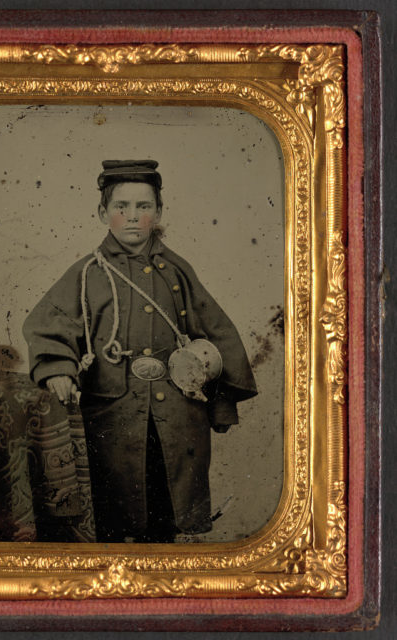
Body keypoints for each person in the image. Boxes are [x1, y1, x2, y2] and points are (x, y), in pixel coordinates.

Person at [23, 160, 257, 543]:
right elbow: (50, 325)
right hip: (112, 418)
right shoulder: (87, 274)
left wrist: (220, 399)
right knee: (113, 515)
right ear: (103, 213)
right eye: (121, 207)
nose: (133, 217)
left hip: (178, 418)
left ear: (159, 212)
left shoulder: (177, 272)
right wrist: (57, 368)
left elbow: (217, 334)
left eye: (144, 207)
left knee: (165, 514)